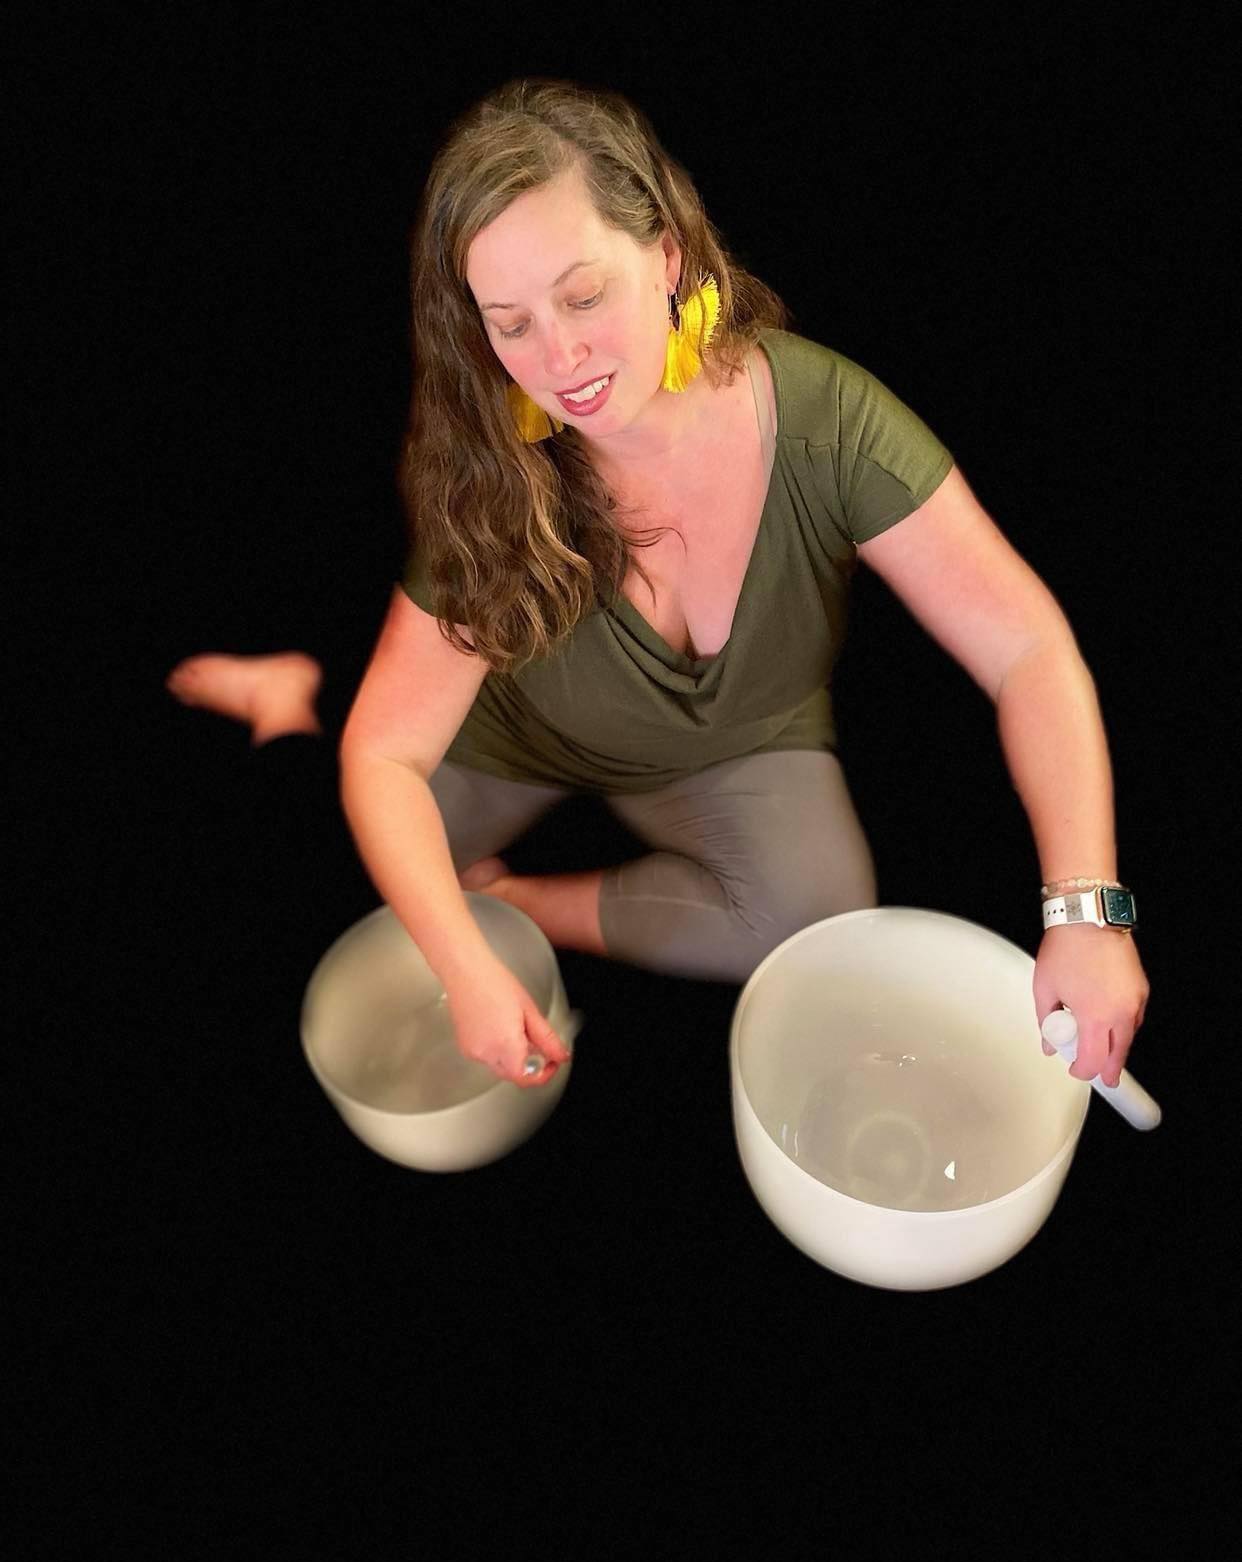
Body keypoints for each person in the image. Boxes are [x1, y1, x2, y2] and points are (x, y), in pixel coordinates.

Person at [167, 76, 1149, 1096]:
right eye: (510, 323)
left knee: (818, 920)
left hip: (737, 740)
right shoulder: (494, 467)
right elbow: (387, 755)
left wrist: (1085, 911)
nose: (560, 358)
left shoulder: (829, 422)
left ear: (668, 256)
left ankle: (518, 900)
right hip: (518, 737)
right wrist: (464, 965)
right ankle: (288, 693)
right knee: (349, 850)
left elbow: (1027, 647)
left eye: (584, 295)